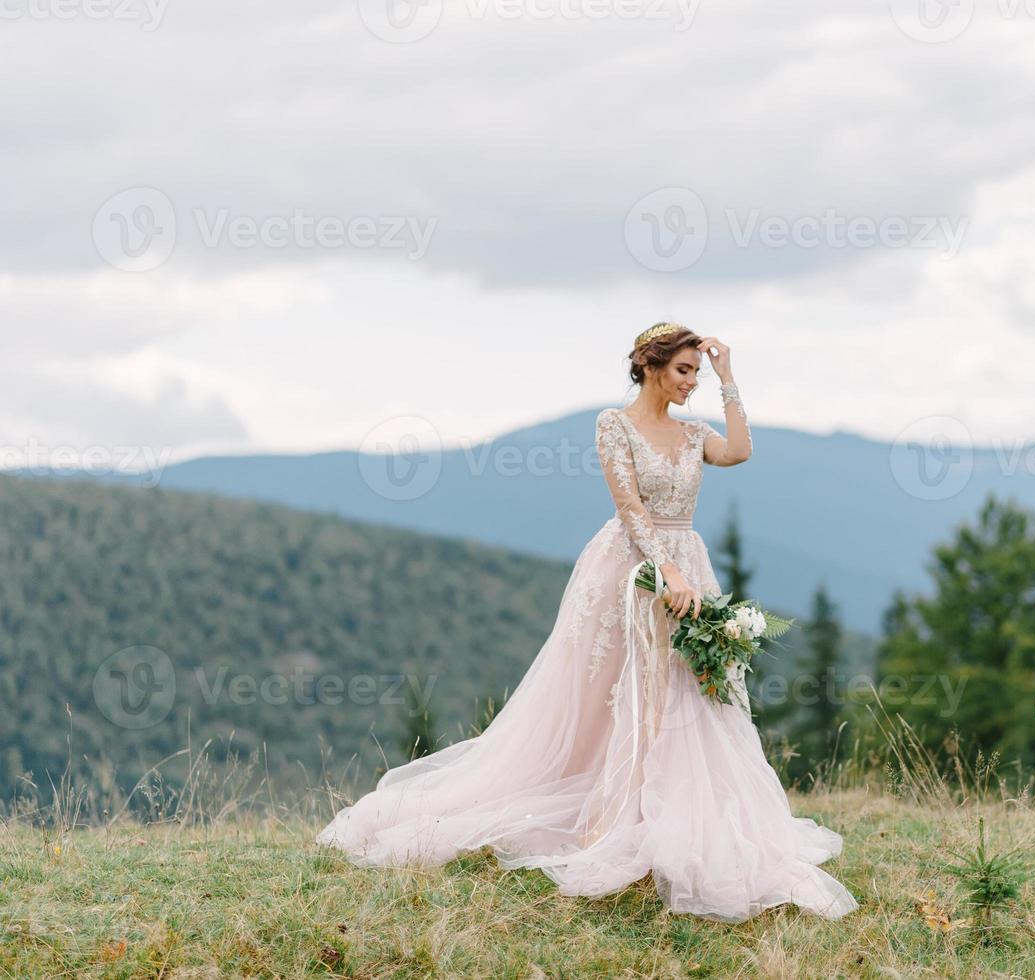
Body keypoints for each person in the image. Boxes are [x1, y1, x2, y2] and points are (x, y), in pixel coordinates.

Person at [316, 322, 858, 921]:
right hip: (629, 571)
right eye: (684, 371)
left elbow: (740, 451)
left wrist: (730, 378)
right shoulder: (614, 424)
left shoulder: (694, 433)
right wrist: (664, 572)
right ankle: (608, 813)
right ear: (651, 366)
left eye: (697, 374)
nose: (691, 383)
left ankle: (667, 810)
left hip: (688, 567)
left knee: (686, 692)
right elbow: (629, 507)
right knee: (613, 692)